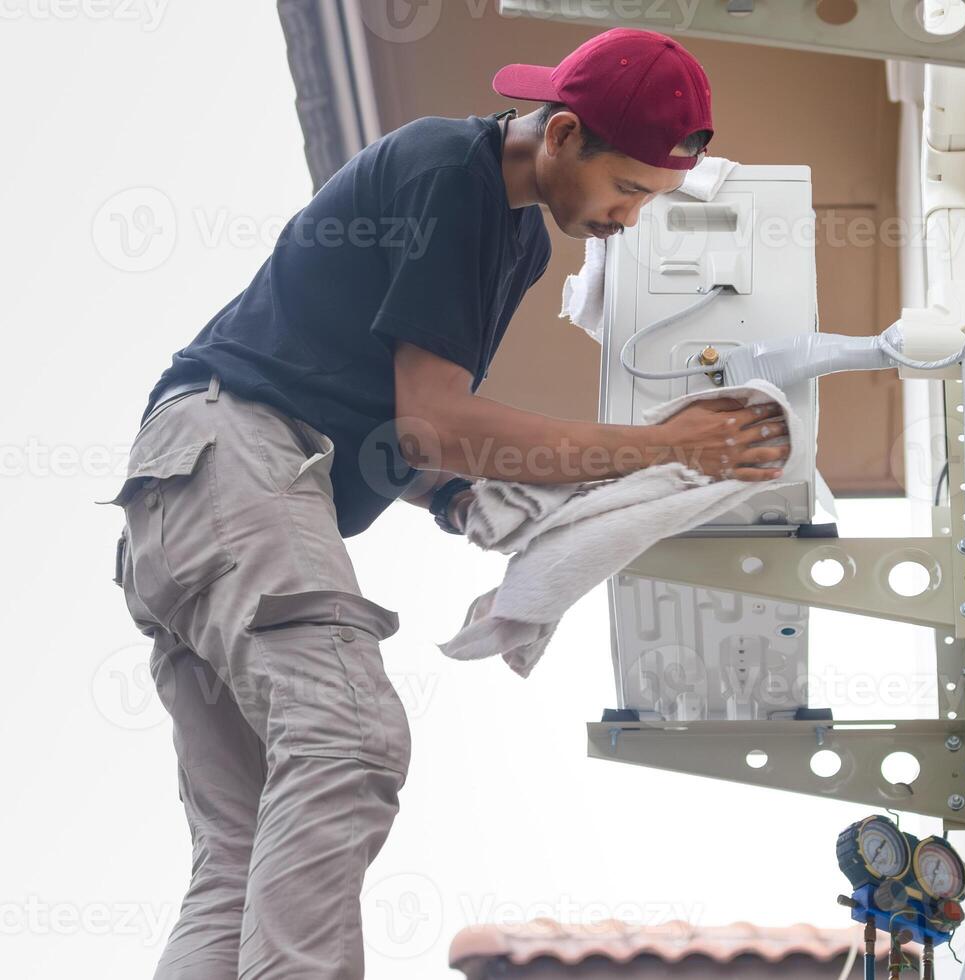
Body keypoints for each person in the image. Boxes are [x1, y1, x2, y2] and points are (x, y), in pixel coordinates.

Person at [106, 27, 788, 979]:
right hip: (235, 461)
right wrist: (665, 446)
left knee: (240, 851)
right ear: (559, 135)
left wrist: (488, 507)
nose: (630, 219)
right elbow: (436, 421)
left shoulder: (514, 237)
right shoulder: (447, 173)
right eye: (628, 189)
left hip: (184, 503)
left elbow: (412, 434)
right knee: (348, 741)